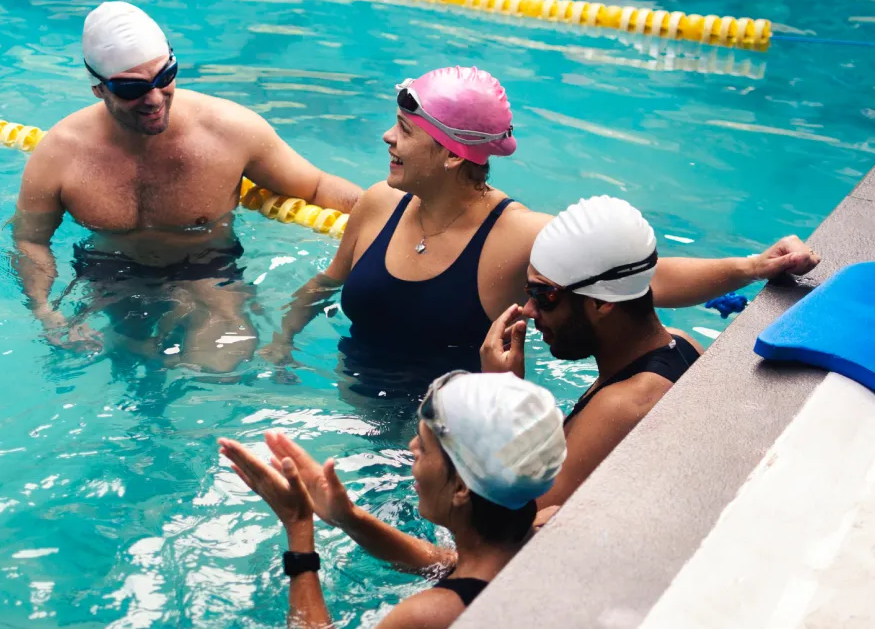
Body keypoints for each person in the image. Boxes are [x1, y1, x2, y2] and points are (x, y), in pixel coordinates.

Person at [261, 65, 820, 399]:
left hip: (444, 433)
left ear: (453, 156)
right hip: (352, 400)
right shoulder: (379, 204)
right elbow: (327, 280)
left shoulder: (518, 235)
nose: (387, 138)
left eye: (405, 130)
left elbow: (642, 282)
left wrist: (753, 266)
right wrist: (281, 342)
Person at [10, 1, 362, 374]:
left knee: (220, 373)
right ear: (98, 87)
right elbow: (30, 239)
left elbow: (318, 187)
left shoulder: (229, 130)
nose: (154, 99)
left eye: (165, 77)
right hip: (109, 273)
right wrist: (46, 313)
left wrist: (398, 212)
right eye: (132, 88)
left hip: (208, 268)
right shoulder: (60, 152)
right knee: (127, 372)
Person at [479, 196, 816, 511]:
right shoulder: (679, 342)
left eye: (543, 293)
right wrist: (755, 266)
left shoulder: (623, 406)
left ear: (603, 302)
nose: (529, 309)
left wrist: (502, 395)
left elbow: (507, 524)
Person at [217, 370, 567, 628]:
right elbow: (451, 563)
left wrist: (299, 532)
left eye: (423, 446)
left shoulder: (431, 615)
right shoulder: (547, 527)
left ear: (461, 487)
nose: (412, 449)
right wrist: (348, 517)